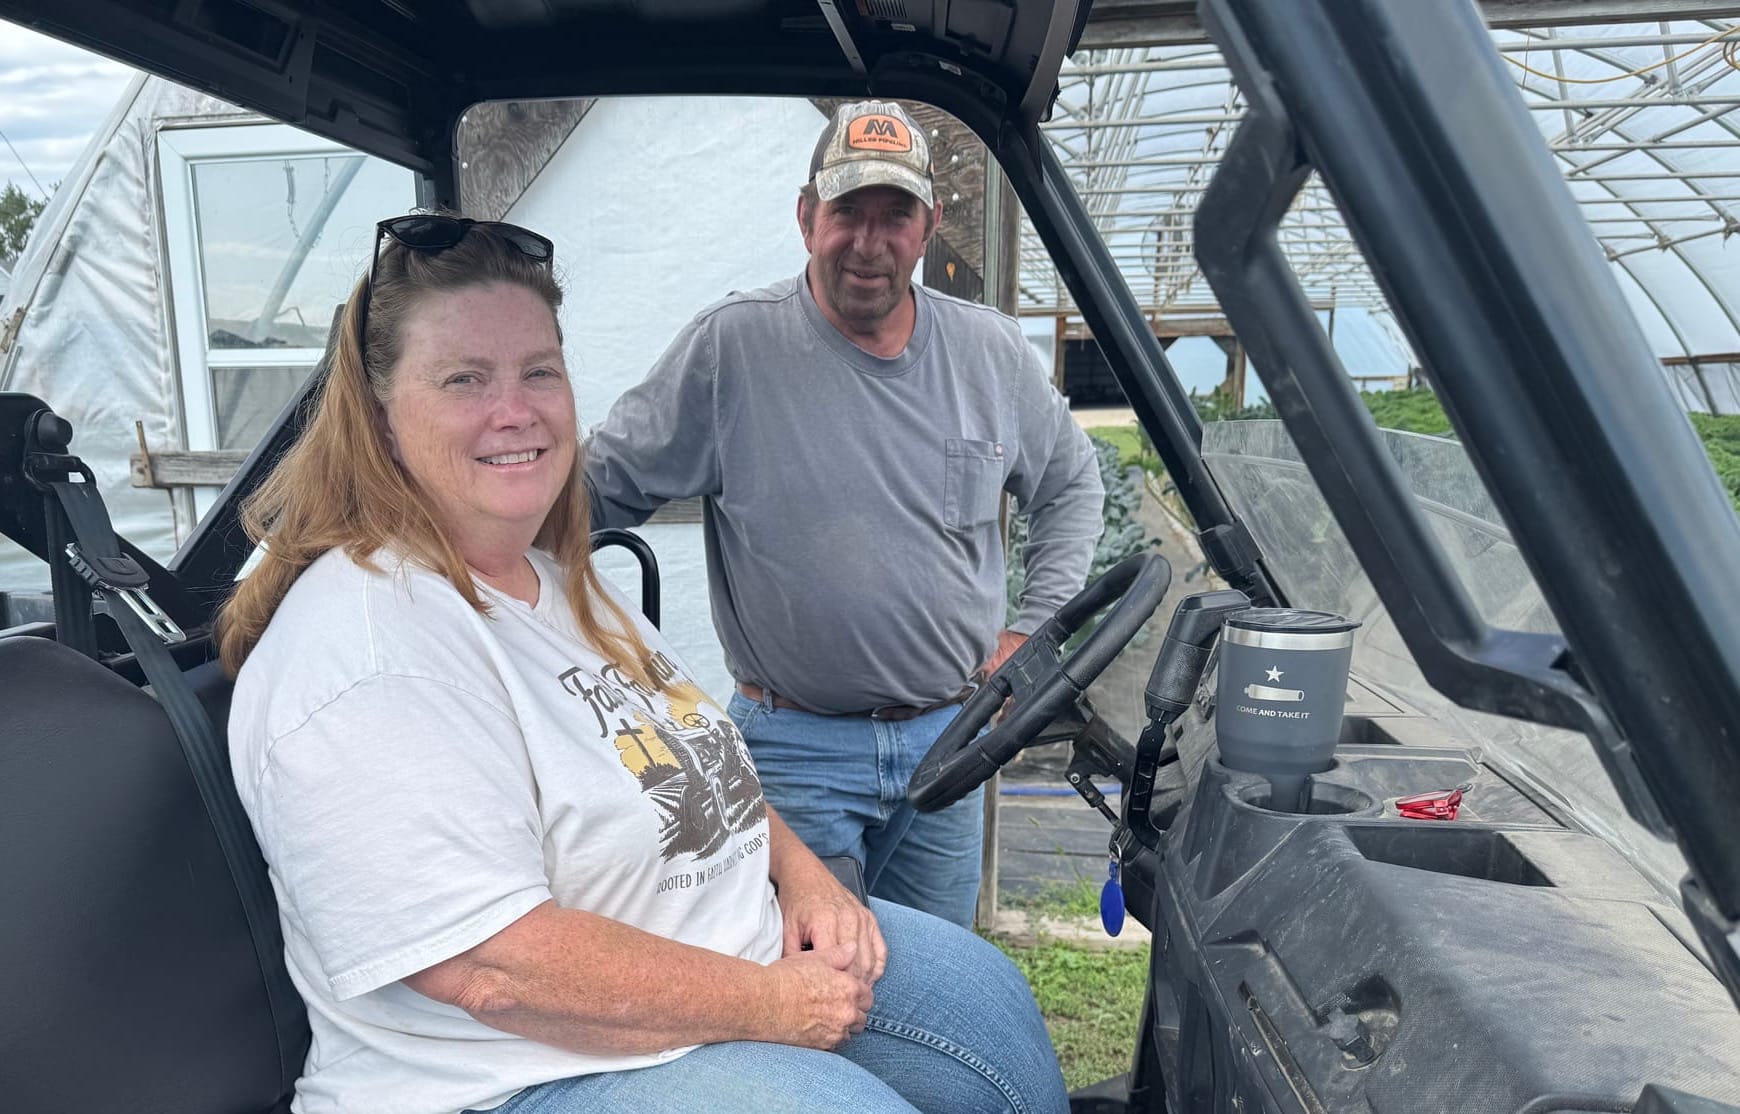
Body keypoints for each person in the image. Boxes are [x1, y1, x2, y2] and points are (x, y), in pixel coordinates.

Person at [219, 215, 1068, 1114]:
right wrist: (770, 1003)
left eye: (539, 371)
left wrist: (805, 878)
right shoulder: (367, 648)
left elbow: (704, 765)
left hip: (727, 951)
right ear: (382, 417)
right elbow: (488, 965)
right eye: (464, 379)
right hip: (515, 1075)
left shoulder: (558, 583)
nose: (516, 410)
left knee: (990, 1009)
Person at [584, 100, 1105, 928]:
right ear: (805, 217)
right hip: (795, 752)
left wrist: (1031, 635)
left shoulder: (989, 354)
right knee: (821, 986)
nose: (869, 243)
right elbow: (597, 488)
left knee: (941, 969)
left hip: (951, 738)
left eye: (894, 215)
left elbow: (1073, 486)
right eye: (846, 214)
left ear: (928, 225)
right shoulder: (732, 349)